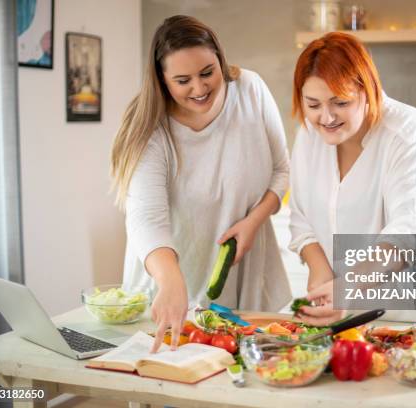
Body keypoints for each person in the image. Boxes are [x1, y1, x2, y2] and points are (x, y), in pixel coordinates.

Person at [110, 15, 291, 352]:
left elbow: (281, 170)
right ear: (162, 80)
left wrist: (254, 220)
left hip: (242, 273)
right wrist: (170, 281)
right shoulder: (151, 127)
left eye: (207, 72)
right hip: (169, 279)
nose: (199, 88)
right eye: (183, 80)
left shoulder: (251, 90)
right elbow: (146, 219)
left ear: (220, 59)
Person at [288, 32, 416, 326]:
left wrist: (349, 287)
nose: (325, 118)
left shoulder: (412, 134)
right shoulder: (309, 133)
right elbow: (301, 217)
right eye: (313, 105)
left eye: (340, 102)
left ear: (367, 89)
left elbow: (410, 231)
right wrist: (320, 270)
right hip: (354, 296)